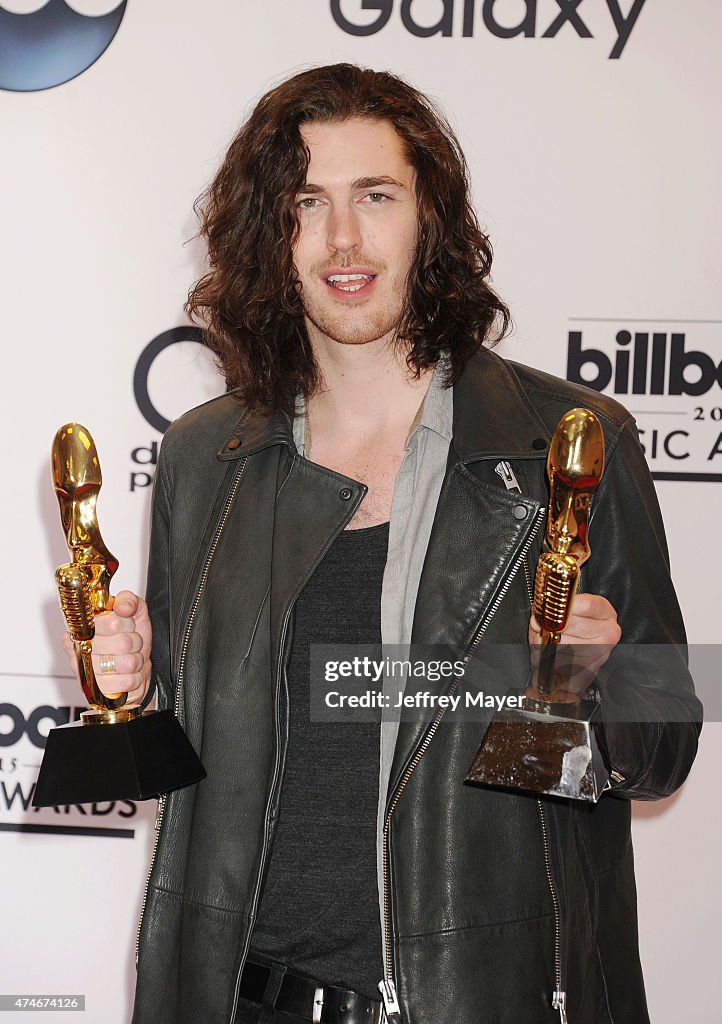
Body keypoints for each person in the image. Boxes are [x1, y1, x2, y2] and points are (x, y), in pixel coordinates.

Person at [63, 65, 701, 1024]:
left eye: (376, 197)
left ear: (429, 218)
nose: (342, 240)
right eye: (305, 204)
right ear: (267, 235)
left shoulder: (565, 440)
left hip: (480, 999)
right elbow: (173, 785)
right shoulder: (206, 456)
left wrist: (583, 687)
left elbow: (662, 756)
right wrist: (131, 700)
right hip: (244, 1000)